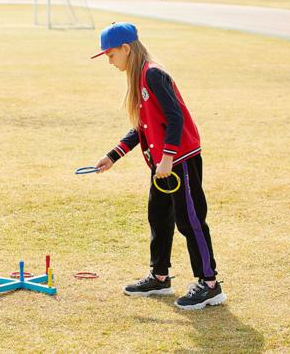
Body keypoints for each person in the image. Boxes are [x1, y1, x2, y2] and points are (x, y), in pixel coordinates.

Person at [91, 22, 226, 310]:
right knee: (159, 217)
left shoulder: (152, 74)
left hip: (180, 160)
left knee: (190, 220)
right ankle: (160, 276)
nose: (109, 61)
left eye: (110, 55)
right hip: (162, 164)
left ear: (126, 48)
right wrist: (113, 156)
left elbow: (175, 118)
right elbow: (143, 128)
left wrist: (167, 157)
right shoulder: (138, 78)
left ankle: (210, 284)